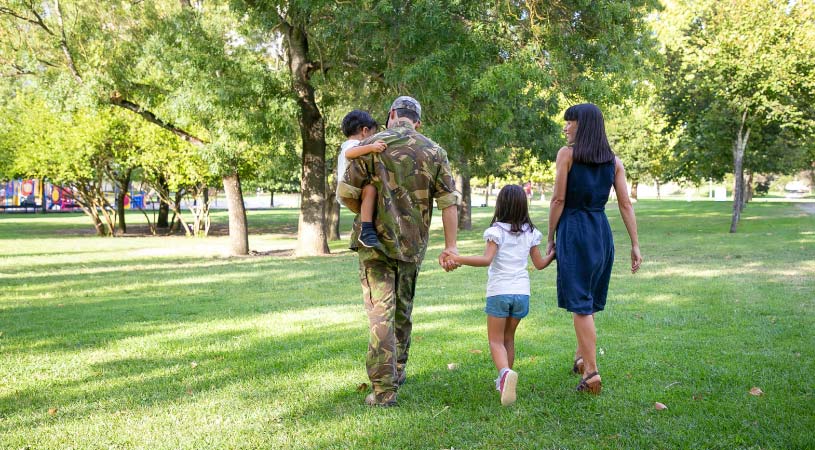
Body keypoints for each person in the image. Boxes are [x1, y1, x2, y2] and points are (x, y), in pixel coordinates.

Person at [338, 96, 461, 407]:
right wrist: (451, 246)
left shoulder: (372, 143)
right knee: (402, 311)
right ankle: (399, 370)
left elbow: (346, 192)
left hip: (373, 244)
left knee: (380, 313)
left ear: (392, 114)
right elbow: (448, 204)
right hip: (411, 245)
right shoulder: (435, 151)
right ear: (417, 122)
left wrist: (369, 213)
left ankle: (384, 390)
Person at [547, 103, 643, 395]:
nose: (565, 127)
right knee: (587, 301)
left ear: (583, 125)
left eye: (570, 122)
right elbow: (625, 204)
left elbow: (558, 201)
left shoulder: (567, 155)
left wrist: (550, 236)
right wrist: (635, 244)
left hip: (575, 231)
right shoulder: (613, 161)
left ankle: (591, 372)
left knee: (580, 304)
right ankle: (580, 357)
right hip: (601, 233)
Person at [443, 184, 554, 406]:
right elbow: (540, 264)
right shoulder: (531, 233)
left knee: (495, 340)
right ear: (523, 205)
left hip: (499, 293)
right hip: (522, 294)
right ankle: (505, 378)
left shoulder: (496, 231)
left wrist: (458, 257)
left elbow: (486, 260)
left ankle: (504, 374)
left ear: (500, 205)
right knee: (508, 338)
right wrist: (554, 253)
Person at [337, 110, 388, 247]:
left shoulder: (353, 145)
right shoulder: (351, 144)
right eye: (373, 134)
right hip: (349, 189)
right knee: (371, 189)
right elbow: (350, 153)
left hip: (351, 190)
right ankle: (366, 231)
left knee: (370, 192)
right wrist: (372, 146)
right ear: (365, 131)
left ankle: (368, 228)